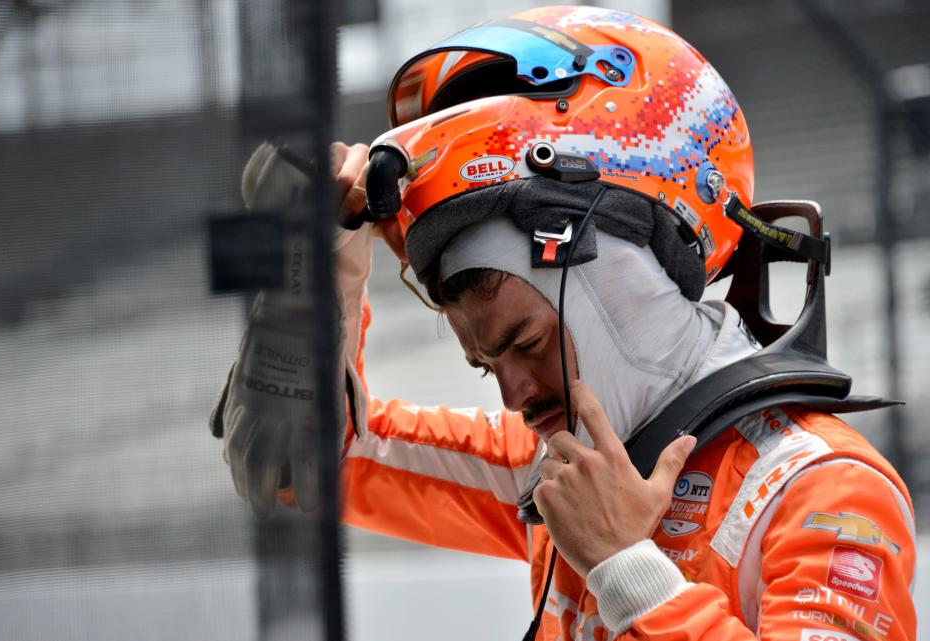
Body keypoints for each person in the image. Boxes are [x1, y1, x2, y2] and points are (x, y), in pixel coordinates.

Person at [214, 7, 916, 640]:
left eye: (527, 340)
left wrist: (626, 568)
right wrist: (325, 275)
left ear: (627, 280)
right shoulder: (553, 466)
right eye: (485, 363)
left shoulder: (824, 489)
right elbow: (308, 463)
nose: (514, 396)